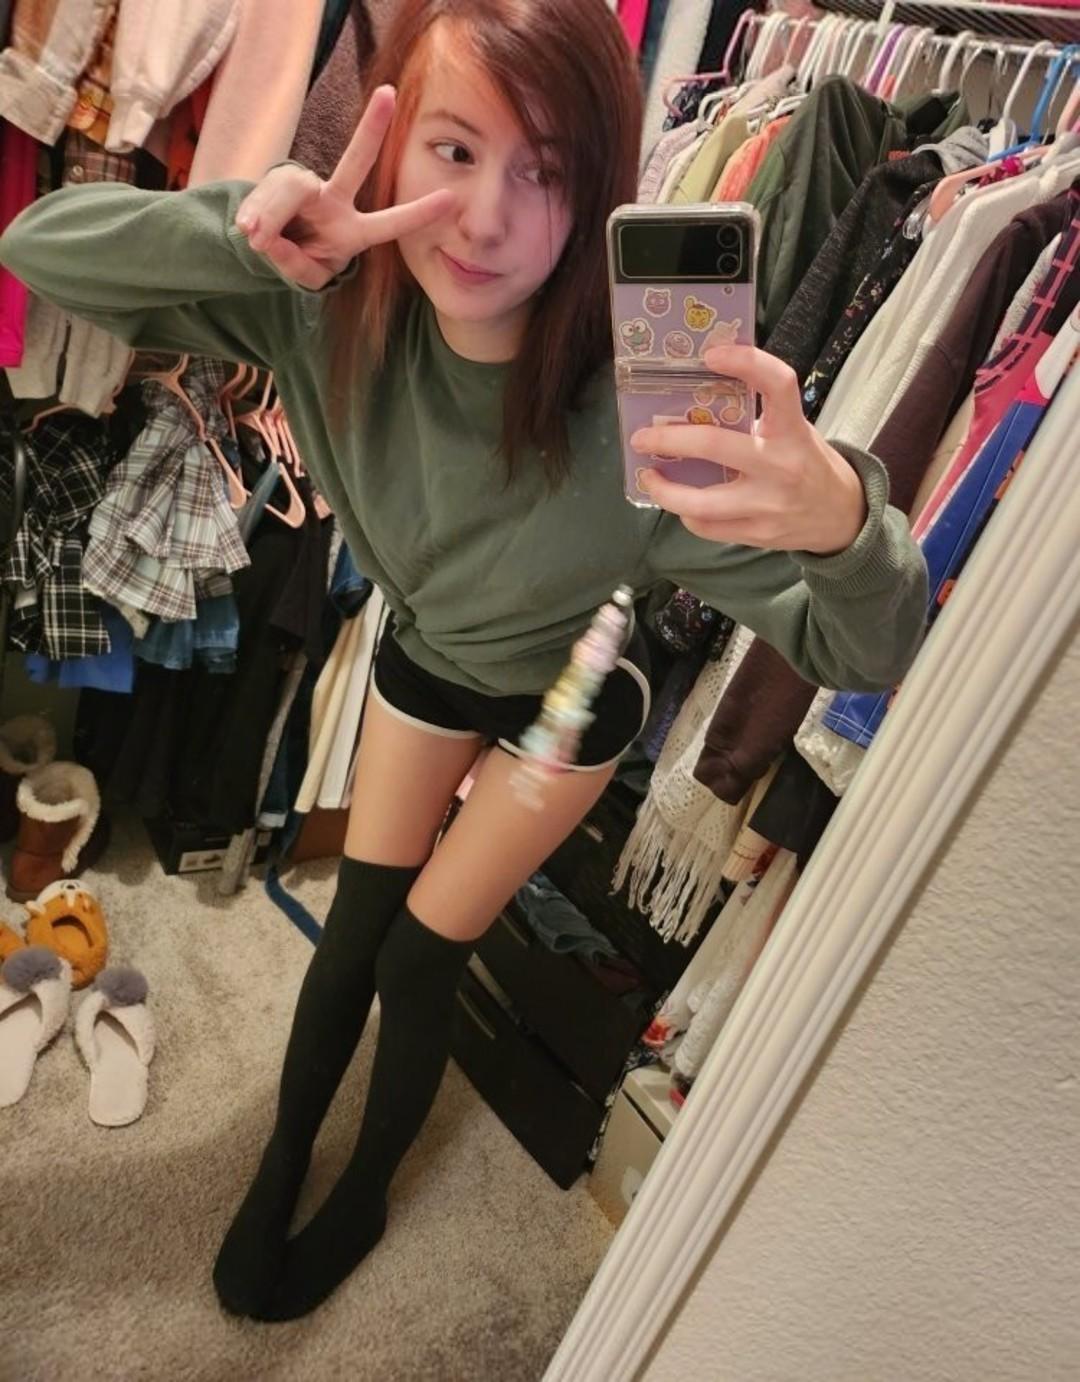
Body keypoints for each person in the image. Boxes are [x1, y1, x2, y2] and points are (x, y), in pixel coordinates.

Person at [0, 0, 927, 1323]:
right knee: (352, 935)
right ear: (388, 150)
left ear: (596, 194)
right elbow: (39, 247)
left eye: (544, 171)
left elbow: (867, 648)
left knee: (421, 956)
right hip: (431, 657)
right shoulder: (321, 311)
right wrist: (241, 225)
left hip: (570, 697)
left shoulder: (645, 425)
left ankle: (368, 1188)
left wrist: (843, 520)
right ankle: (280, 1164)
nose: (487, 218)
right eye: (453, 150)